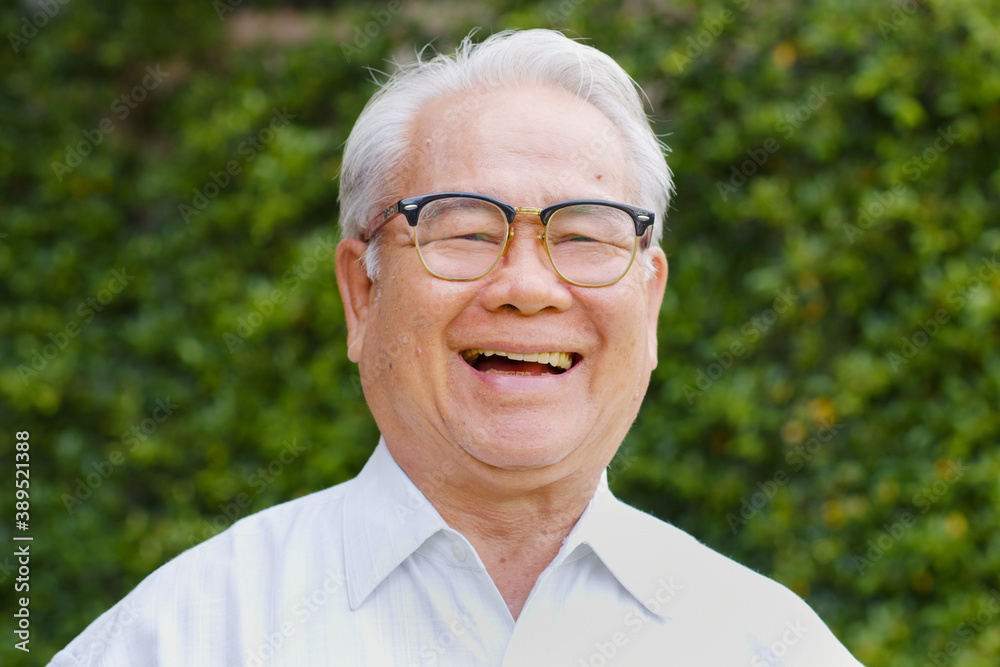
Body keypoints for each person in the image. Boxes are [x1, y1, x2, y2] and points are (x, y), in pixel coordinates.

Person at [51, 29, 864, 666]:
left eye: (583, 233)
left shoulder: (767, 645)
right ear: (362, 293)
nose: (528, 285)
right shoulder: (188, 637)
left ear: (649, 300)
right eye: (467, 229)